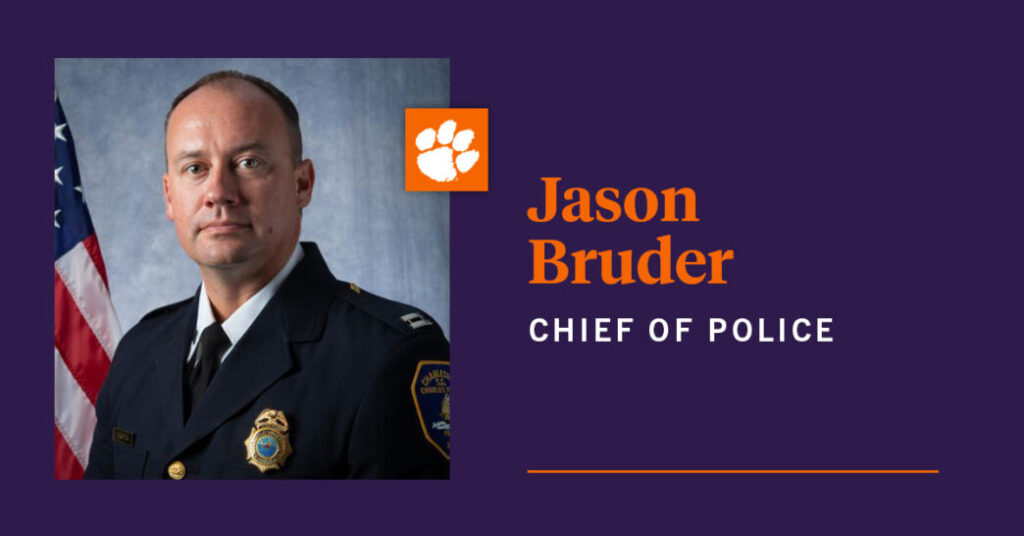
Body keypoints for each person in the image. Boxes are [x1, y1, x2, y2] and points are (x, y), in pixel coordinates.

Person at [84, 71, 450, 479]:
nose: (218, 192)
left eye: (248, 163)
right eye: (195, 168)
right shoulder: (139, 352)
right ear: (170, 196)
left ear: (302, 184)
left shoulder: (387, 356)